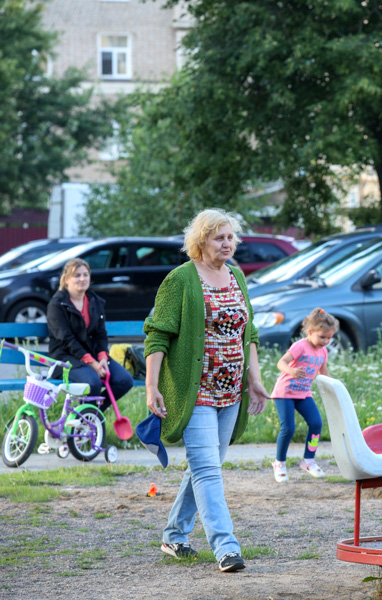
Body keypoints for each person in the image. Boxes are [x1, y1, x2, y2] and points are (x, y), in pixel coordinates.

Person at [144, 208, 268, 573]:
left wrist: (254, 379)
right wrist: (152, 387)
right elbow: (157, 334)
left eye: (230, 237)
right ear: (201, 241)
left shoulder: (236, 276)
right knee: (208, 471)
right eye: (219, 237)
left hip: (231, 392)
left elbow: (250, 335)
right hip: (194, 391)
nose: (227, 243)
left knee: (204, 466)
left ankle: (173, 534)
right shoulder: (180, 279)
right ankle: (227, 548)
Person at [47, 258, 133, 410]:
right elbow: (67, 340)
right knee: (92, 383)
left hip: (92, 354)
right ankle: (86, 422)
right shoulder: (57, 304)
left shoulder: (95, 301)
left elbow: (100, 334)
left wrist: (102, 358)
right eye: (77, 275)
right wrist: (92, 363)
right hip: (65, 358)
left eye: (85, 275)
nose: (82, 279)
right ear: (67, 279)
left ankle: (92, 414)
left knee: (124, 380)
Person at [270, 308, 337, 482]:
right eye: (322, 337)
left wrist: (335, 388)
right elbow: (281, 363)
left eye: (329, 338)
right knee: (289, 428)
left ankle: (308, 460)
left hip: (303, 393)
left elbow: (323, 373)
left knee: (316, 424)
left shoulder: (323, 352)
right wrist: (291, 370)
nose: (326, 341)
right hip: (285, 392)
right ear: (310, 332)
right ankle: (279, 463)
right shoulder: (300, 346)